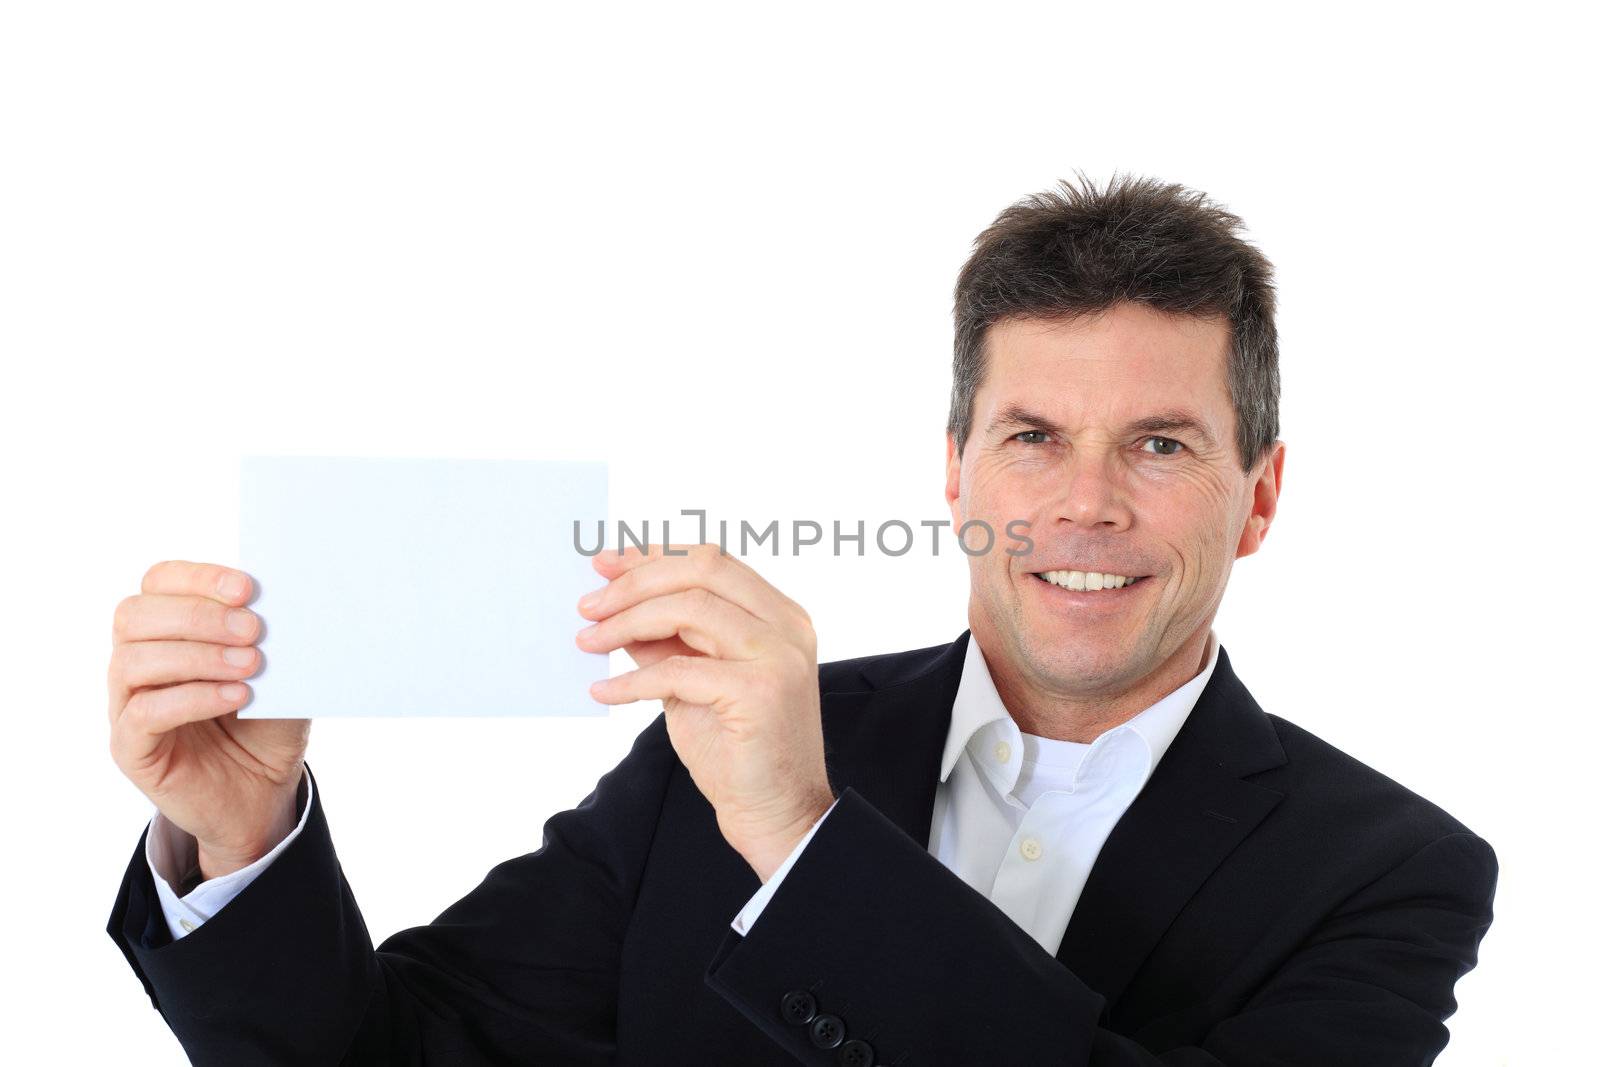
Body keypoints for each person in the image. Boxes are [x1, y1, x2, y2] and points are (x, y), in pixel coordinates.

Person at [106, 173, 1496, 1065]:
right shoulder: (718, 756)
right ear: (953, 474)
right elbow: (385, 1059)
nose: (1085, 505)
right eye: (1030, 436)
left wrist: (803, 842)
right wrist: (237, 838)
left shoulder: (1389, 875)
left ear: (1258, 497)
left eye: (1160, 446)